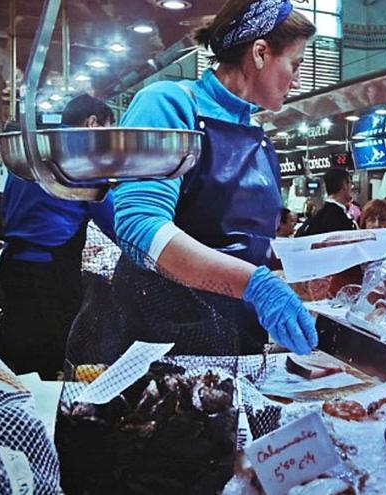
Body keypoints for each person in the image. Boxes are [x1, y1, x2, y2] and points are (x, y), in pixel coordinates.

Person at [99, 0, 318, 357]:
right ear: (260, 52)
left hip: (237, 337)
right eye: (295, 64)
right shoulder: (168, 103)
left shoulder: (257, 134)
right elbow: (140, 227)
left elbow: (237, 239)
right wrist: (257, 285)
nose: (297, 79)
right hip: (161, 337)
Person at [0, 94, 116, 377]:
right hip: (50, 277)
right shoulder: (84, 158)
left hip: (13, 268)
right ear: (91, 123)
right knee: (54, 357)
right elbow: (113, 223)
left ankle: (27, 414)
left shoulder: (29, 153)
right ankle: (52, 417)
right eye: (106, 130)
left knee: (22, 358)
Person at [296, 168, 357, 237]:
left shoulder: (317, 216)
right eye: (350, 183)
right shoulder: (337, 218)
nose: (352, 187)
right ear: (344, 185)